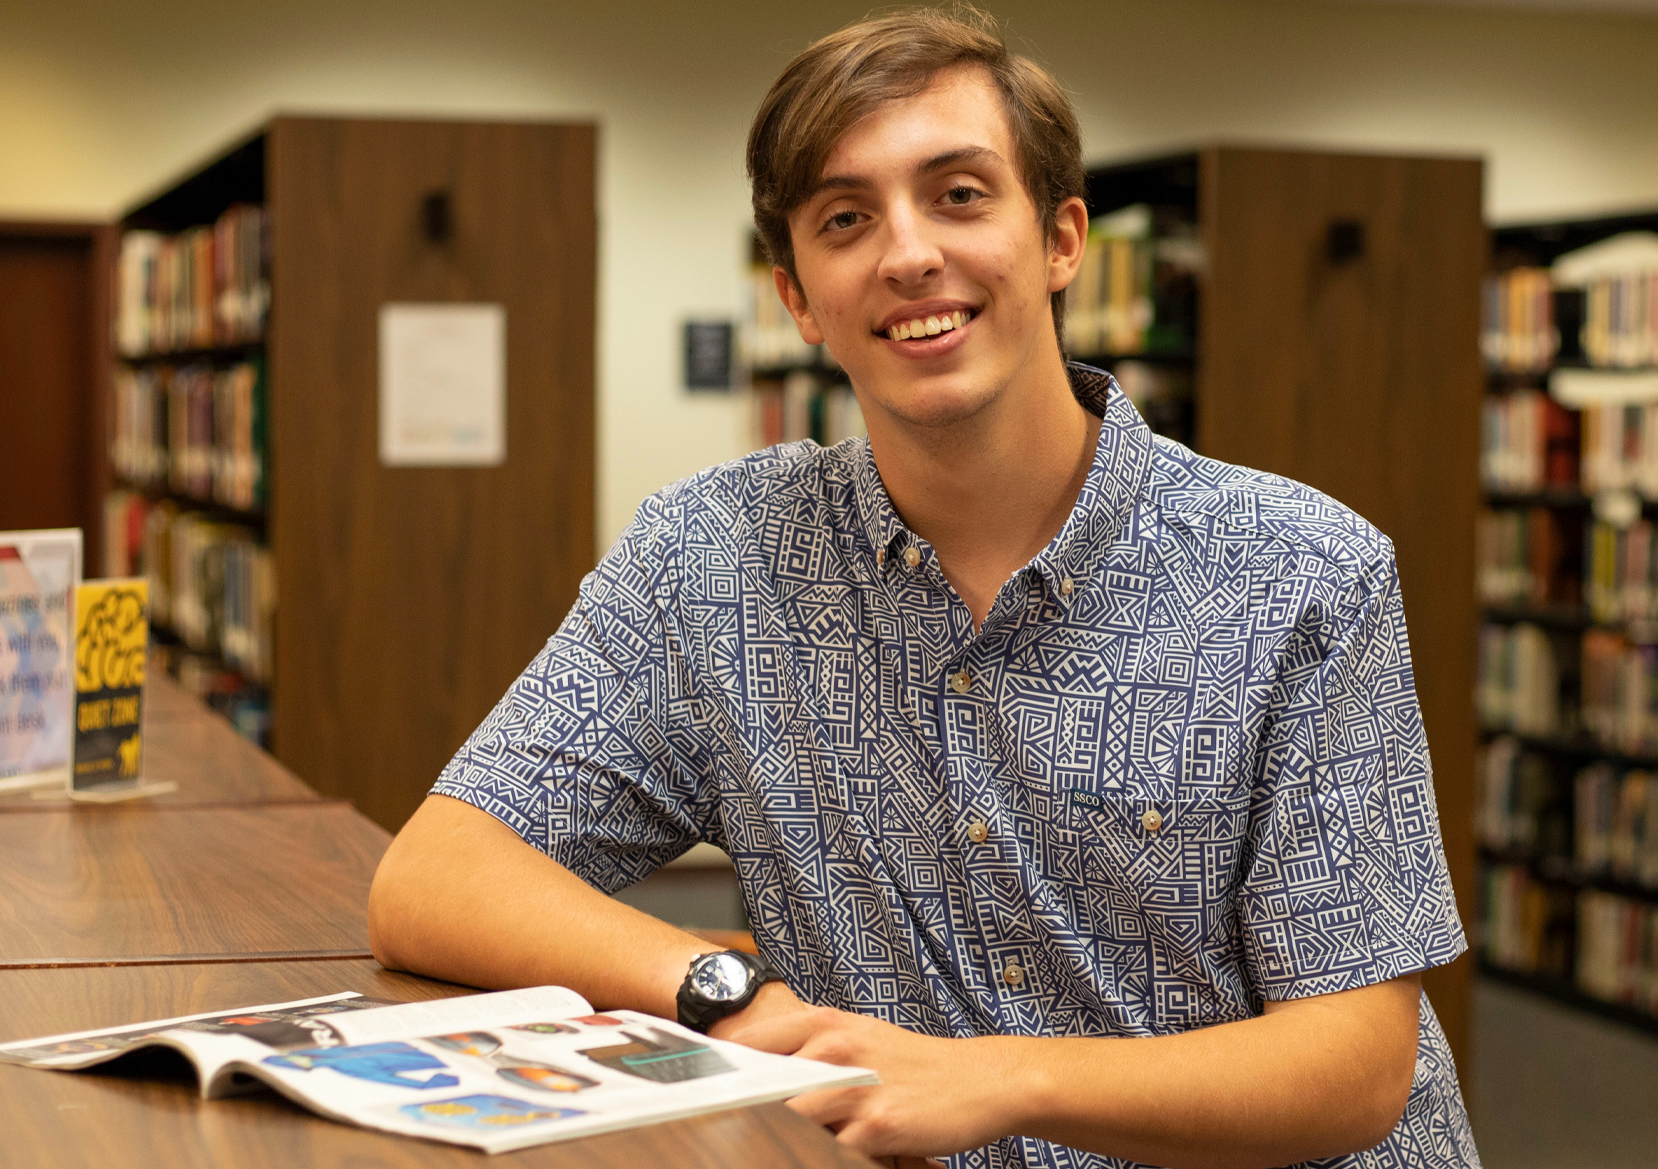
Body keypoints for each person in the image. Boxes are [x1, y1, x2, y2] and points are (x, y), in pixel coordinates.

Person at [368, 8, 1479, 1167]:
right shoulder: (712, 558)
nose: (906, 254)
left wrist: (999, 1077)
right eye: (845, 219)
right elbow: (434, 874)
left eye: (957, 194)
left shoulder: (1299, 571)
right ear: (798, 298)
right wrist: (715, 988)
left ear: (1059, 240)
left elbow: (1355, 1062)